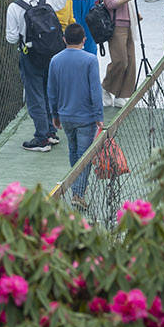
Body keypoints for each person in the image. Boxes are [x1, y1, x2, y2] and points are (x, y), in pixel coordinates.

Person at [5, 0, 63, 150]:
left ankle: (41, 138)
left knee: (35, 95)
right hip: (52, 53)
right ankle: (52, 132)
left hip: (31, 56)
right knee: (49, 91)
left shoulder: (14, 7)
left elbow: (11, 38)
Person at [46, 21, 103, 204]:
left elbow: (51, 91)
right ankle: (78, 193)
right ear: (84, 40)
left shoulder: (55, 60)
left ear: (64, 39)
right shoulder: (90, 60)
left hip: (65, 115)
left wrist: (54, 114)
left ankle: (77, 186)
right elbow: (95, 90)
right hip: (85, 117)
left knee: (73, 151)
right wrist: (99, 116)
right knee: (84, 156)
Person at [100, 0, 137, 103]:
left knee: (130, 61)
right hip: (117, 27)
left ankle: (123, 94)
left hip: (129, 25)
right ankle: (106, 88)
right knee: (120, 60)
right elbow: (110, 3)